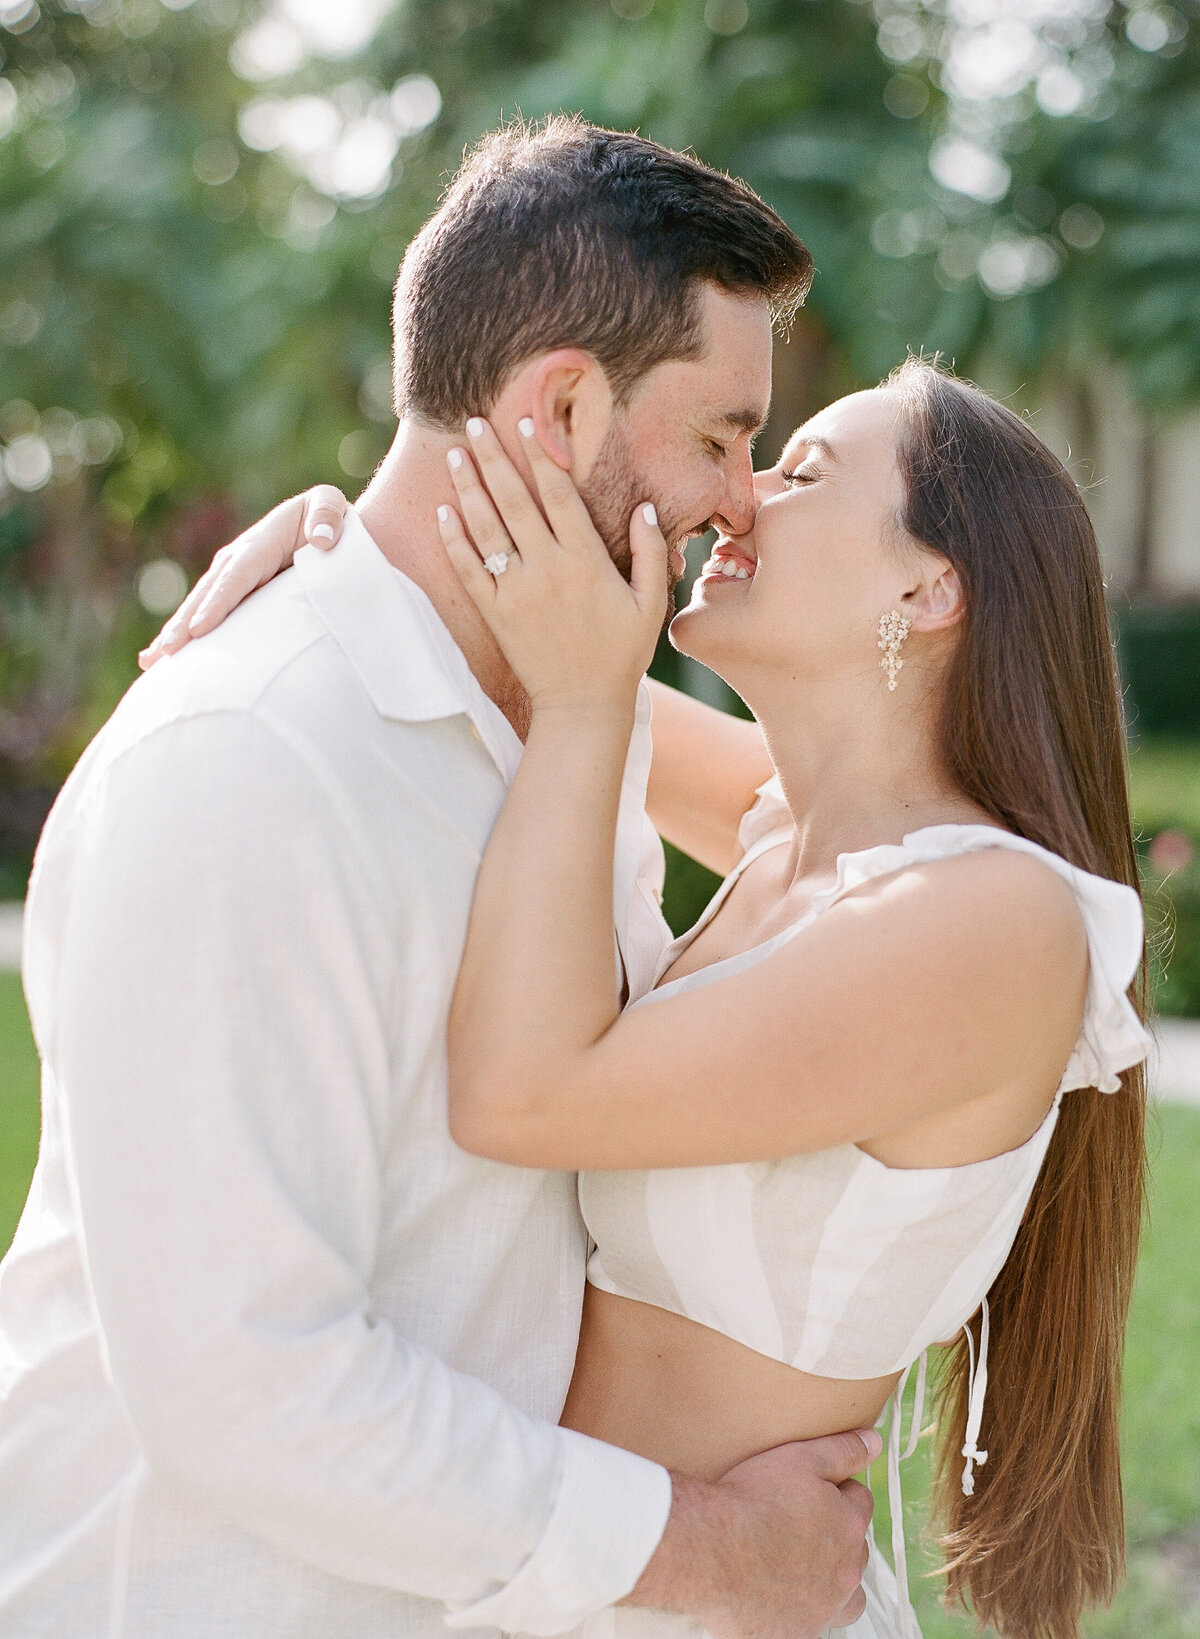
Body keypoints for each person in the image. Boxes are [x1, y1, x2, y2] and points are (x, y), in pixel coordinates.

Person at [0, 120, 880, 1639]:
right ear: (559, 403)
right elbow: (243, 1377)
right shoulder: (246, 761)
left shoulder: (568, 705)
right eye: (722, 436)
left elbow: (863, 828)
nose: (740, 499)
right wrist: (701, 1550)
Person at [151, 355, 1153, 1639]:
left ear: (929, 584)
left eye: (801, 473)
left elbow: (524, 1091)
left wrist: (579, 700)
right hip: (589, 1575)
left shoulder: (988, 925)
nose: (738, 500)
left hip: (709, 1604)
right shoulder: (800, 840)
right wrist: (344, 545)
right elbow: (476, 635)